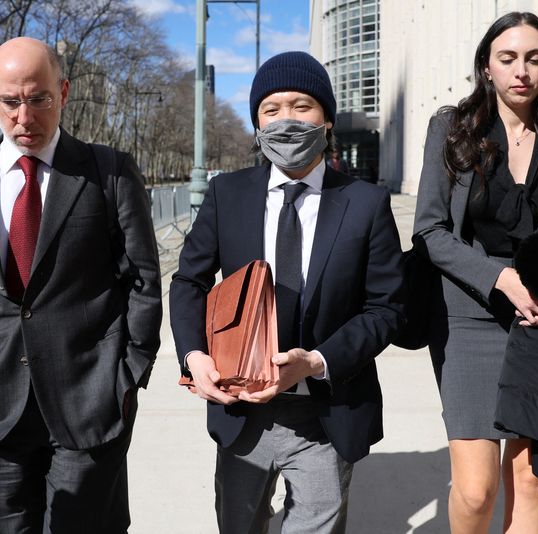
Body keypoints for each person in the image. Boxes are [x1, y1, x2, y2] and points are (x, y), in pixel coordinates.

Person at [0, 37, 162, 533]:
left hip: (89, 403)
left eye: (38, 99)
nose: (23, 117)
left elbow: (143, 281)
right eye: (10, 101)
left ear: (64, 92)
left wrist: (128, 376)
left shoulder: (109, 173)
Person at [169, 51, 404, 533]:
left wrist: (316, 361)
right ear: (257, 123)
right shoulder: (226, 195)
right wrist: (194, 355)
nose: (287, 121)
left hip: (326, 412)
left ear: (328, 119)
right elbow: (188, 282)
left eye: (302, 106)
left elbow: (387, 309)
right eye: (271, 109)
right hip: (242, 410)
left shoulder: (366, 204)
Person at [412, 12, 538, 534]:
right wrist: (502, 279)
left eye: (534, 59)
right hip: (469, 316)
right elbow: (429, 232)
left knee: (531, 479)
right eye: (508, 58)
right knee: (475, 492)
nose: (522, 71)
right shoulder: (452, 128)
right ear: (487, 67)